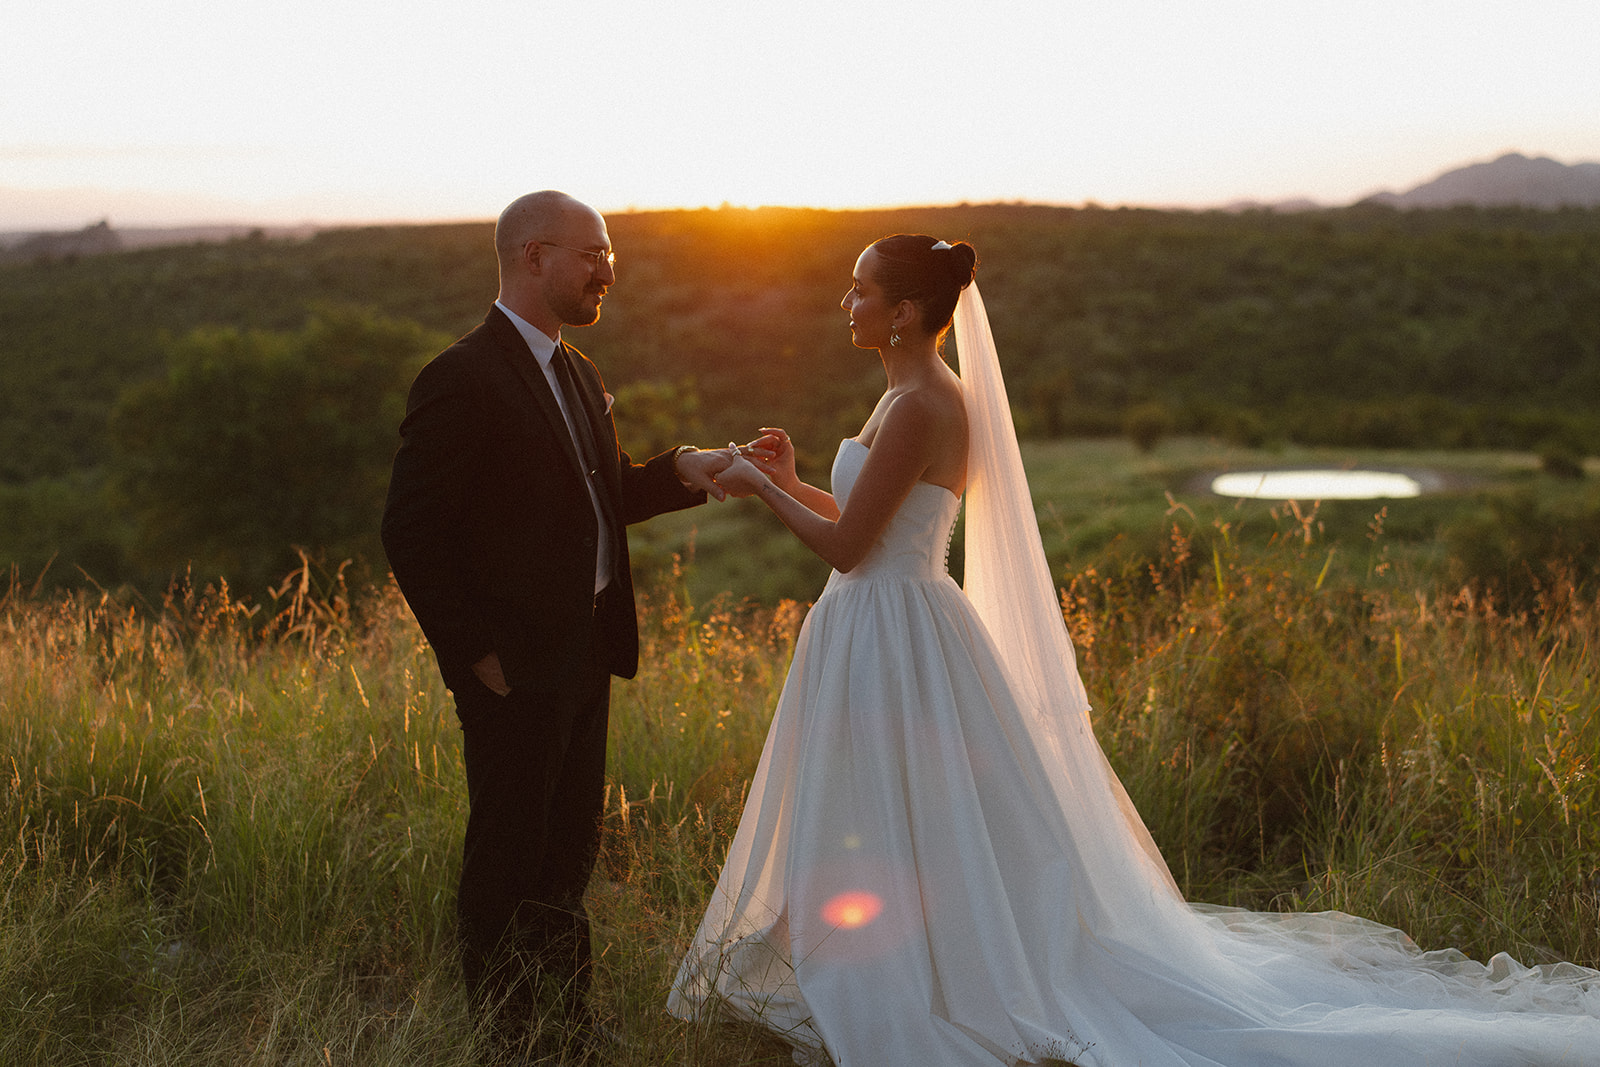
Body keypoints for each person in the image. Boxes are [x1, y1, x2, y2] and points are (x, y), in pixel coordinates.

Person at [668, 235, 1600, 1066]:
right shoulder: (904, 392)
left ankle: (918, 979)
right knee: (888, 810)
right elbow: (867, 520)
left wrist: (756, 487)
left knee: (903, 811)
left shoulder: (922, 403)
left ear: (905, 311)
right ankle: (892, 957)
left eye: (861, 288)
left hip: (896, 633)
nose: (848, 302)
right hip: (881, 623)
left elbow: (845, 548)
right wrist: (795, 478)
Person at [381, 190, 738, 1060]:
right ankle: (507, 1040)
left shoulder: (578, 371)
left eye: (608, 253)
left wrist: (685, 469)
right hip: (513, 669)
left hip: (586, 656)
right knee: (505, 859)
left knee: (568, 859)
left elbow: (603, 492)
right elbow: (411, 532)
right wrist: (476, 655)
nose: (608, 268)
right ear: (534, 256)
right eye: (594, 252)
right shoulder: (460, 376)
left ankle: (566, 1028)